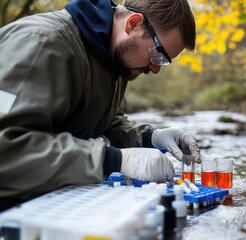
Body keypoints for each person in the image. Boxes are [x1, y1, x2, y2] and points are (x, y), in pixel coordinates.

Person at [0, 0, 200, 211]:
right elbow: (7, 147)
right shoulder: (42, 44)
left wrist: (151, 138)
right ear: (133, 24)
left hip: (44, 204)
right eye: (157, 54)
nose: (156, 68)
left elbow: (105, 124)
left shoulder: (115, 61)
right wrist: (112, 160)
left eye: (164, 61)